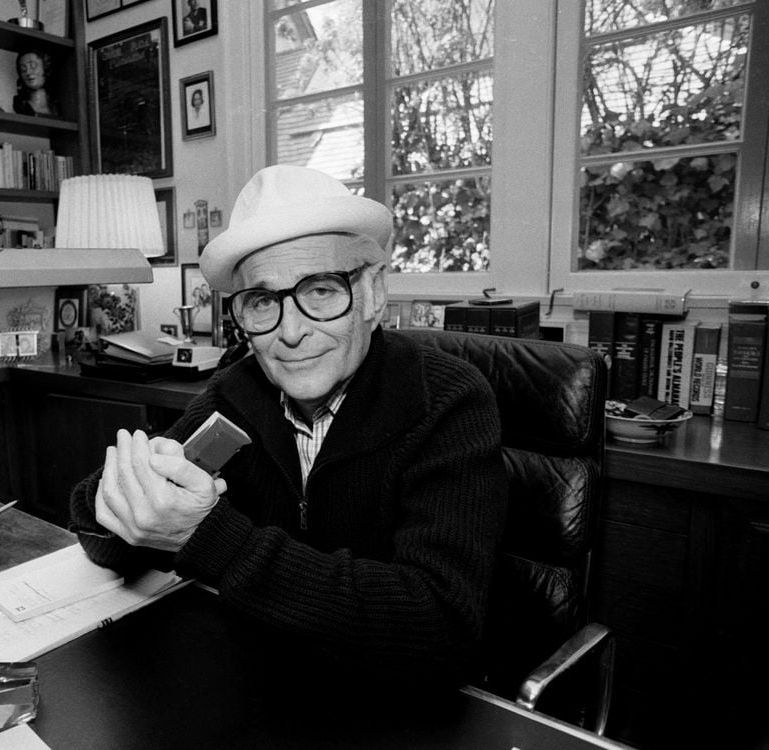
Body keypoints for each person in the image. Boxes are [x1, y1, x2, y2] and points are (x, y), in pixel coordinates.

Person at [69, 165, 507, 703]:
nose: (292, 332)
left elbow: (440, 632)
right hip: (257, 686)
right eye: (262, 301)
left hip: (390, 709)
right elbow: (98, 529)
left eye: (321, 291)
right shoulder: (237, 391)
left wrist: (205, 537)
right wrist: (125, 498)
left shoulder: (448, 402)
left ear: (373, 292)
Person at [13, 49, 59, 117]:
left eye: (33, 66)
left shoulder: (57, 106)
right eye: (23, 69)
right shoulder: (21, 105)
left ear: (46, 68)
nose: (28, 72)